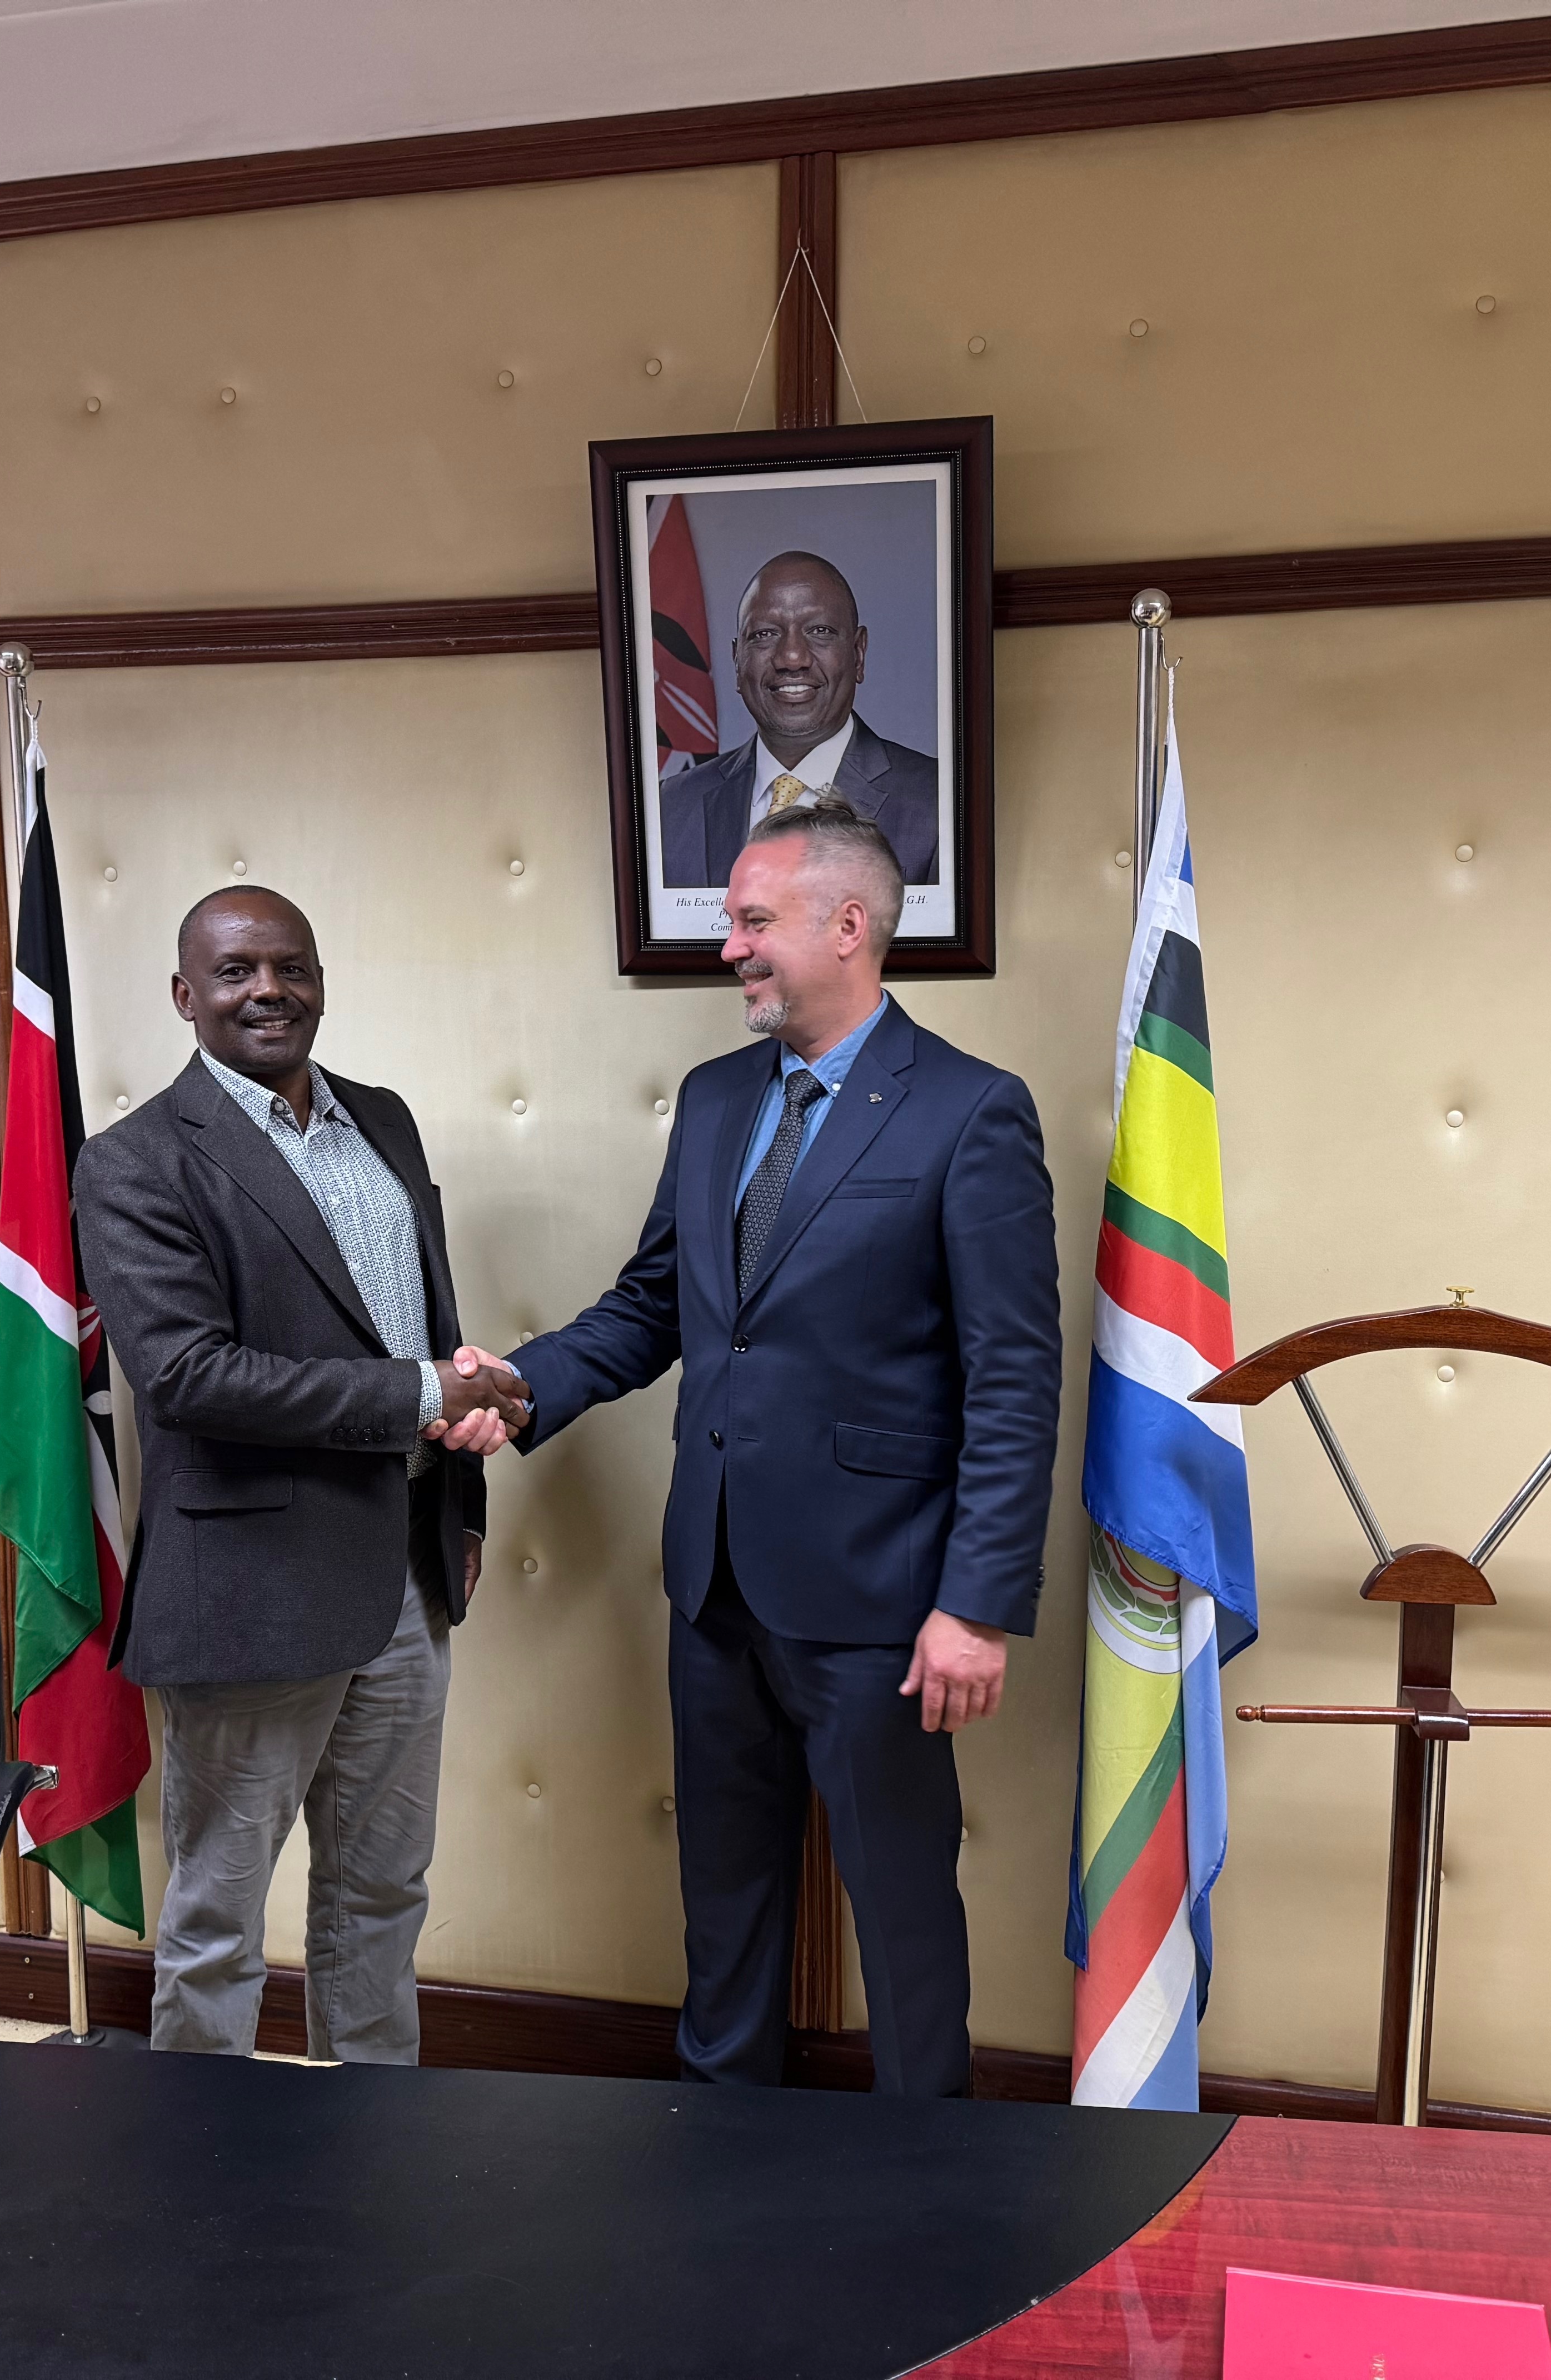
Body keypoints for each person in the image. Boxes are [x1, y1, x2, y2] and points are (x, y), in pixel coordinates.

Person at [460, 803, 1058, 2096]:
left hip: (884, 1603)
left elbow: (1014, 1379)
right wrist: (522, 1385)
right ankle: (720, 2161)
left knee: (903, 1919)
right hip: (714, 1585)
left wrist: (975, 1604)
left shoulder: (972, 1112)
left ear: (848, 926)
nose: (728, 947)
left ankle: (927, 2175)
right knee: (724, 1913)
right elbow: (654, 1306)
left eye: (750, 921)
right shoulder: (719, 1098)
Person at [76, 885, 532, 2061]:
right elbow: (191, 1377)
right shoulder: (133, 1163)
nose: (268, 989)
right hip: (253, 1589)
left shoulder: (383, 1119)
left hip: (410, 1575)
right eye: (235, 971)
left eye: (291, 966)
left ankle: (370, 2140)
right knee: (218, 1924)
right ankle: (203, 2155)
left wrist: (463, 1500)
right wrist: (425, 1396)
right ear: (185, 996)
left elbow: (425, 1326)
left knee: (383, 1895)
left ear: (321, 981)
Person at [660, 551, 941, 889]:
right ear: (737, 661)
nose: (792, 658)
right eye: (765, 634)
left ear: (858, 654)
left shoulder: (939, 801)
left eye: (820, 631)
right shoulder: (669, 807)